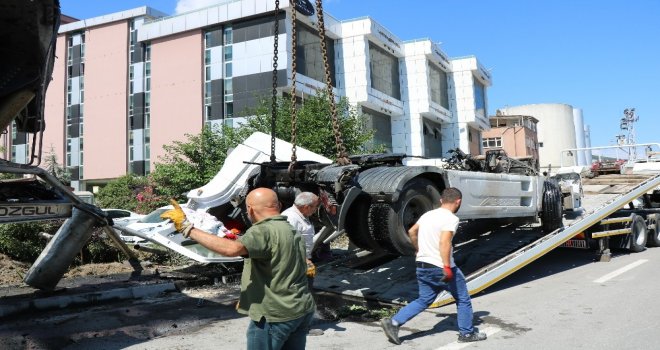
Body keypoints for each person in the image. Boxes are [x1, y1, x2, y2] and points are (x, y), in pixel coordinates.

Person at [160, 187, 315, 350]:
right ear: (279, 206)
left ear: (250, 209)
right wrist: (250, 295)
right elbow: (282, 266)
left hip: (275, 315)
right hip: (301, 309)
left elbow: (232, 249)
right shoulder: (289, 228)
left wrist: (187, 228)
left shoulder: (263, 230)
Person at [380, 187, 487, 345]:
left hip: (423, 264)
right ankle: (466, 333)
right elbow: (444, 242)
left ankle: (394, 322)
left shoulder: (427, 215)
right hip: (440, 266)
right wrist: (446, 267)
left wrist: (418, 249)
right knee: (463, 299)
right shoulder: (451, 219)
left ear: (441, 200)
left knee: (424, 299)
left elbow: (412, 232)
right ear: (458, 202)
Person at [282, 192, 324, 336]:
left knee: (305, 294)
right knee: (301, 295)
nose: (315, 210)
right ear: (306, 207)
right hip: (296, 263)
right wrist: (304, 260)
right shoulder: (290, 218)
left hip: (302, 261)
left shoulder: (301, 217)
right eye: (314, 207)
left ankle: (301, 325)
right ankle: (301, 327)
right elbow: (287, 244)